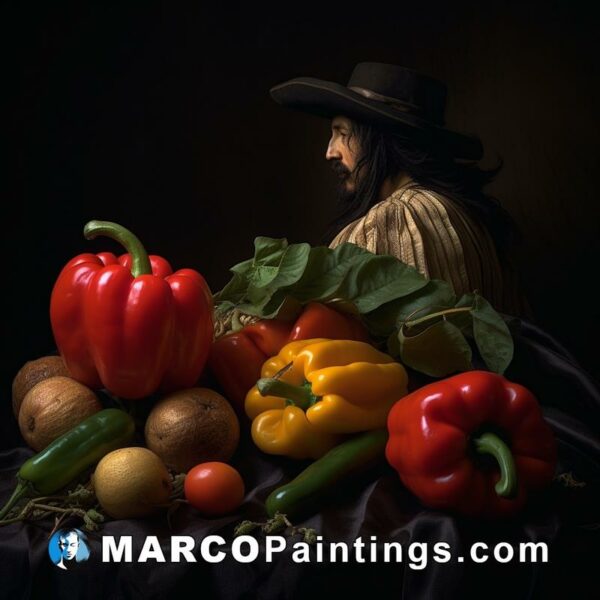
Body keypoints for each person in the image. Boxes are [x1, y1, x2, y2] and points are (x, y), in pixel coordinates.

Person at [270, 62, 530, 317]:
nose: (330, 152)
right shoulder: (471, 217)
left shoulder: (381, 226)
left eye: (342, 133)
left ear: (380, 140)